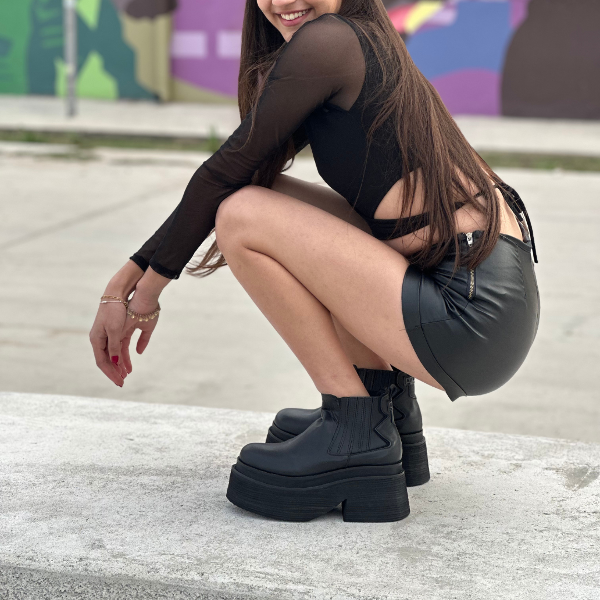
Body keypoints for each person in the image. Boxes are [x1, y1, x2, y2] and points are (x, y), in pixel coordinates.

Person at [89, 0, 540, 523]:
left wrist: (143, 297)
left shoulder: (331, 42)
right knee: (262, 197)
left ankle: (356, 428)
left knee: (243, 217)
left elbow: (223, 178)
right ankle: (384, 406)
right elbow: (235, 174)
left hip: (470, 316)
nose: (283, 2)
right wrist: (127, 277)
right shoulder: (354, 41)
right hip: (486, 302)